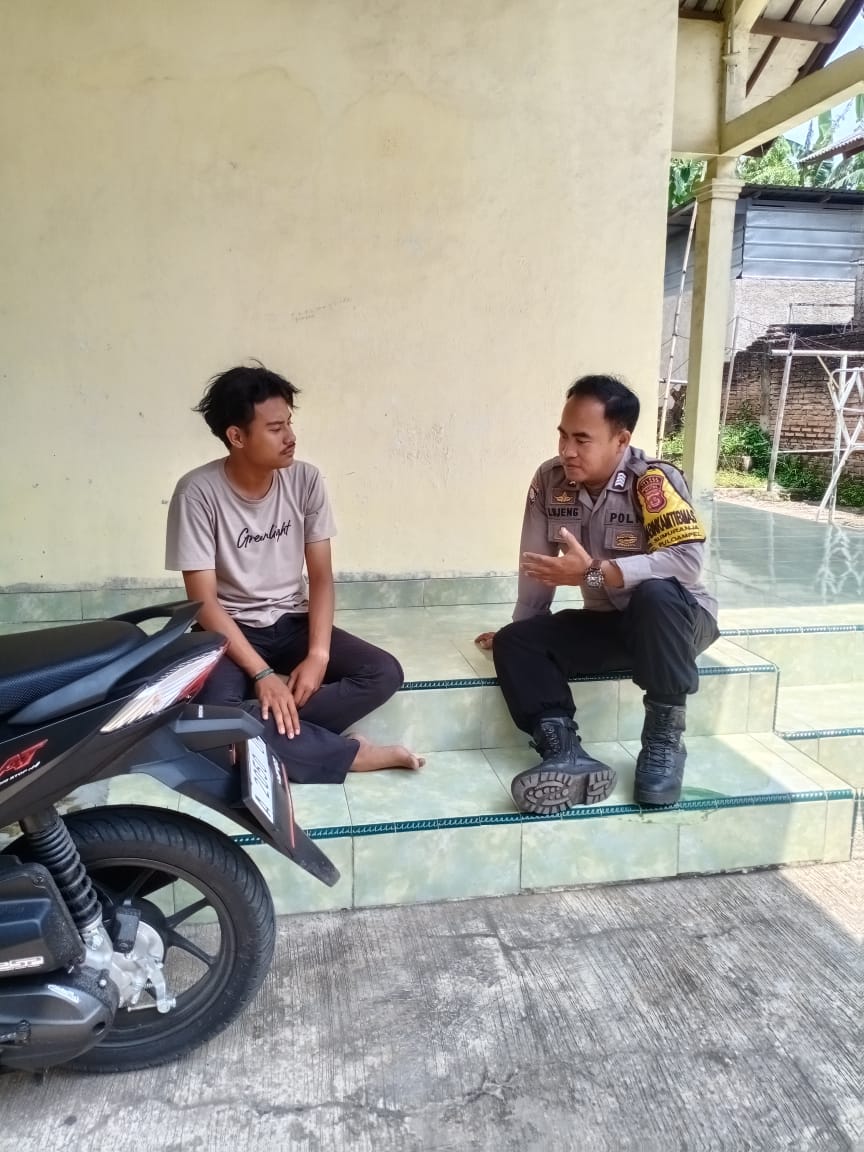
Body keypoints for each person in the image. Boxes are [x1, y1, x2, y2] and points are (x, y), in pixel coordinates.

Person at [166, 363, 423, 783]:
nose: (290, 437)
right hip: (229, 632)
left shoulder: (305, 480)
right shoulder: (197, 492)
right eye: (275, 428)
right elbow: (205, 603)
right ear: (236, 436)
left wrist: (318, 655)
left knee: (383, 673)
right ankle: (347, 753)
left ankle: (259, 724)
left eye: (289, 423)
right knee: (212, 719)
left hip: (291, 623)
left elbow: (320, 577)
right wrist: (263, 674)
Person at [475, 374, 718, 816]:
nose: (567, 450)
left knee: (656, 595)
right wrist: (526, 629)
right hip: (614, 624)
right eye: (563, 436)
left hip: (678, 622)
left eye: (582, 439)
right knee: (516, 640)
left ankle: (663, 742)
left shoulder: (653, 481)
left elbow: (687, 562)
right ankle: (564, 752)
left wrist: (595, 572)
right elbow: (538, 566)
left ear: (621, 440)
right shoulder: (550, 479)